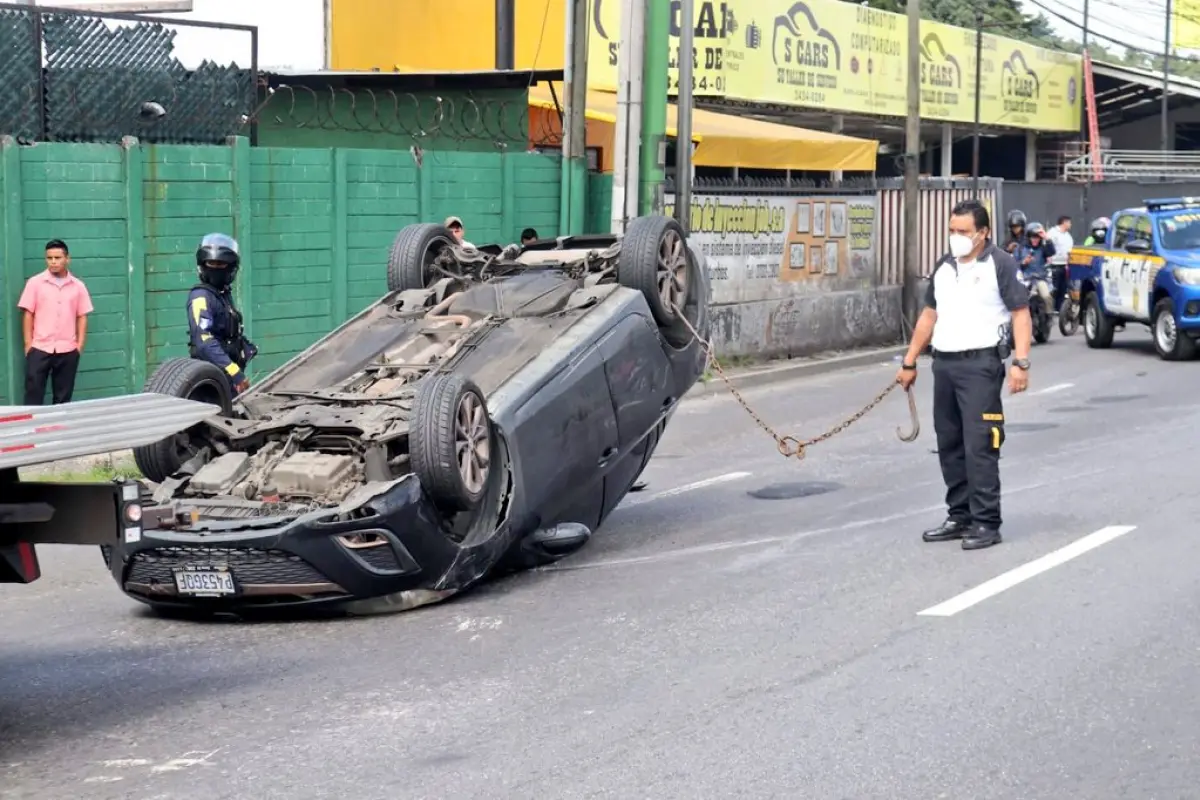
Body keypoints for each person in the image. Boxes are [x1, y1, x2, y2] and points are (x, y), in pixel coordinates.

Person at [896, 200, 1032, 551]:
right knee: (950, 444)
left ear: (983, 233)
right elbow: (929, 315)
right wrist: (909, 361)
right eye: (952, 230)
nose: (956, 237)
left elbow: (1020, 313)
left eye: (963, 232)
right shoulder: (944, 266)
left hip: (980, 367)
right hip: (944, 365)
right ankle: (959, 515)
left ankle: (986, 522)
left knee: (981, 445)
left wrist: (1021, 362)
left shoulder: (1000, 264)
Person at [18, 239, 93, 405]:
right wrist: (28, 345)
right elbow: (28, 314)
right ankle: (33, 429)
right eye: (49, 258)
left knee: (63, 398)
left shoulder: (78, 286)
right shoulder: (35, 283)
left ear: (67, 259)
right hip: (39, 348)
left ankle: (58, 430)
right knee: (33, 394)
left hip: (68, 349)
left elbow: (82, 316)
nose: (53, 262)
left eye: (57, 258)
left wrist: (78, 346)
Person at [187, 233, 257, 398]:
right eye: (212, 263)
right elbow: (205, 342)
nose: (216, 268)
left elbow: (226, 331)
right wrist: (234, 372)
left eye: (221, 263)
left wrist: (245, 347)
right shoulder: (200, 298)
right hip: (212, 381)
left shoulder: (222, 294)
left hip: (227, 376)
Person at [1016, 222, 1057, 315]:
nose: (1035, 240)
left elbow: (1052, 251)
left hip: (1040, 279)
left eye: (1037, 237)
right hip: (1024, 280)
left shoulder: (1043, 249)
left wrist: (1047, 238)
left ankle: (1048, 317)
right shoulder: (1020, 249)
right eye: (1033, 237)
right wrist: (1023, 262)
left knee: (1046, 296)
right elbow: (1013, 265)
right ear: (1028, 237)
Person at [1046, 215, 1073, 310]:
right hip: (1054, 266)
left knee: (1063, 289)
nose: (1070, 225)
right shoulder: (1052, 233)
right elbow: (1046, 246)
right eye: (1069, 222)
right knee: (1054, 289)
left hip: (1064, 266)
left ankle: (1059, 310)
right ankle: (1050, 310)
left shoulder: (1068, 236)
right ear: (1064, 222)